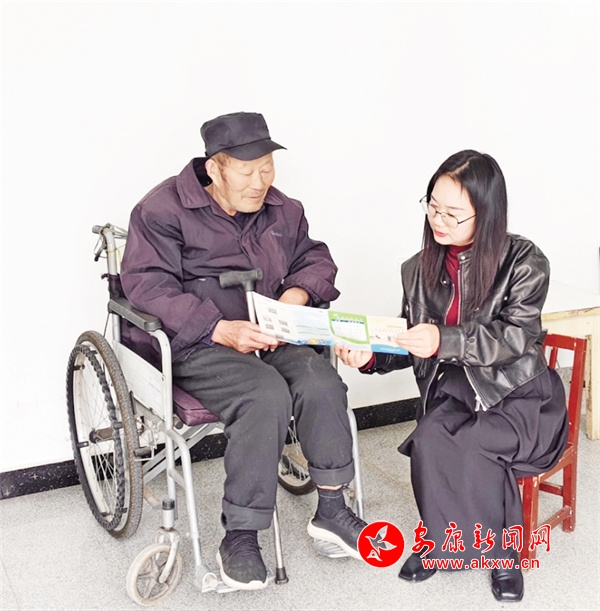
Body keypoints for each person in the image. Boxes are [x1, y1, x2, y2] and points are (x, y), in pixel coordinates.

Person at [119, 111, 366, 591]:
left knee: (321, 381)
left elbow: (314, 257)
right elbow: (148, 286)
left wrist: (295, 294)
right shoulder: (161, 210)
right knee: (264, 394)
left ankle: (333, 510)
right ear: (215, 168)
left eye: (267, 169)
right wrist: (219, 328)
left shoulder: (283, 208)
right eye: (248, 172)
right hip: (200, 343)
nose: (260, 183)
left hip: (271, 336)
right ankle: (241, 535)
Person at [336, 150, 568, 602]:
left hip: (520, 393)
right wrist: (369, 357)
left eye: (453, 213)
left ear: (487, 212)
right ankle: (442, 543)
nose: (438, 221)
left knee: (476, 444)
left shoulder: (524, 261)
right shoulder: (417, 268)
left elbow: (516, 336)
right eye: (433, 207)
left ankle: (503, 555)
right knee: (429, 439)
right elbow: (411, 338)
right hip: (459, 391)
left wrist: (445, 340)